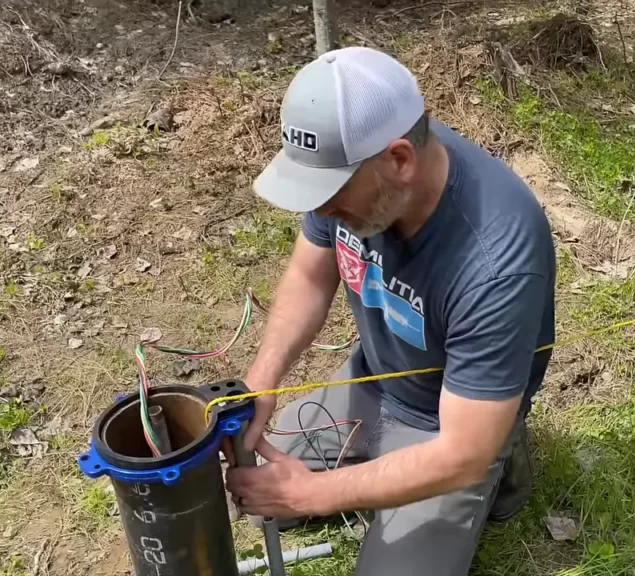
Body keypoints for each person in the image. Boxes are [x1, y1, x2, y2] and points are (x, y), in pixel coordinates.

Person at [225, 46, 556, 575]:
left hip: (445, 430)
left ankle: (502, 458)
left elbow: (459, 452)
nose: (320, 209)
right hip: (374, 381)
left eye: (330, 193)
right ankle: (377, 464)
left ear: (399, 160)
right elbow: (311, 276)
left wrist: (312, 495)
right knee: (246, 481)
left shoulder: (497, 258)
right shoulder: (355, 177)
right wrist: (259, 387)